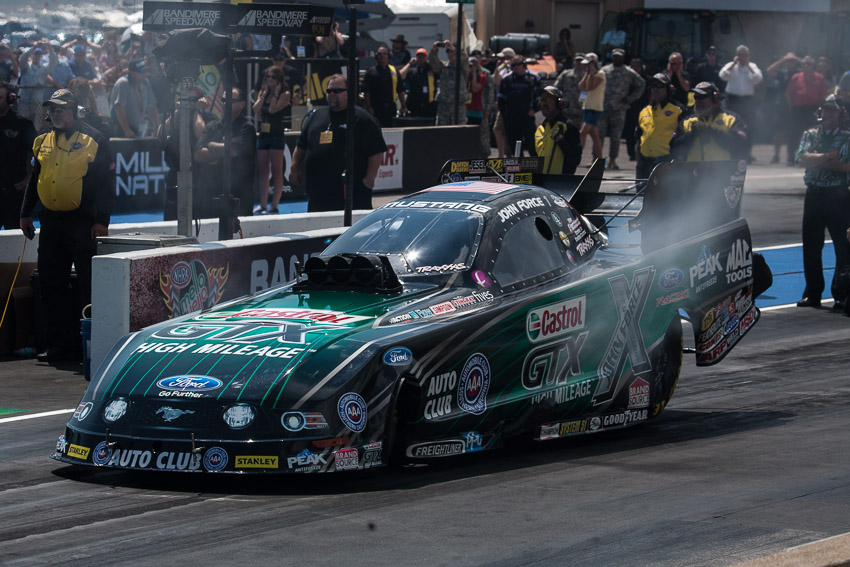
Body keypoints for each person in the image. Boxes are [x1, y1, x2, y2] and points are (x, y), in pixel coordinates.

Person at [19, 89, 114, 362]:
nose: (56, 114)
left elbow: (107, 186)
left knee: (87, 285)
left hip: (82, 222)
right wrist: (25, 214)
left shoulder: (95, 139)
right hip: (51, 223)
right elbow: (34, 179)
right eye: (52, 109)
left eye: (61, 109)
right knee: (50, 284)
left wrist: (102, 221)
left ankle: (90, 348)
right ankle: (59, 346)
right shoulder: (41, 141)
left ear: (74, 109)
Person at [290, 74, 386, 212]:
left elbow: (376, 152)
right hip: (318, 193)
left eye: (337, 91)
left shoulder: (362, 119)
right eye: (329, 91)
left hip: (350, 194)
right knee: (318, 232)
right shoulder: (316, 116)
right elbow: (301, 145)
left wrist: (369, 180)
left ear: (349, 92)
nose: (332, 94)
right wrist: (294, 169)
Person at [794, 94, 850, 309]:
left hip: (839, 196)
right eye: (825, 110)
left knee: (842, 246)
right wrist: (828, 157)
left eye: (832, 110)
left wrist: (816, 159)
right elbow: (800, 159)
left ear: (840, 113)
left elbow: (845, 165)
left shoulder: (847, 137)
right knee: (811, 246)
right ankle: (812, 293)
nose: (827, 114)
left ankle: (841, 294)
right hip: (814, 195)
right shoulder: (810, 134)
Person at [194, 87, 257, 218]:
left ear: (242, 104)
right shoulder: (212, 126)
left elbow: (233, 151)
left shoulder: (247, 128)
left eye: (230, 100)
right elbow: (198, 155)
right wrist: (224, 150)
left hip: (240, 194)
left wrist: (211, 145)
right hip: (214, 192)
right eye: (223, 99)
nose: (225, 103)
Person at [158, 84, 214, 221]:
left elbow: (201, 135)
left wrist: (197, 111)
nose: (189, 102)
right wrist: (176, 115)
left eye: (193, 99)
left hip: (199, 176)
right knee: (172, 217)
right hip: (175, 173)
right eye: (185, 99)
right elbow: (160, 140)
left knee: (198, 217)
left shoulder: (208, 118)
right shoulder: (175, 117)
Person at [671, 82, 748, 162]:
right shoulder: (687, 122)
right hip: (693, 172)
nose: (697, 100)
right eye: (695, 96)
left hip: (723, 171)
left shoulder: (731, 119)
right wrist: (692, 134)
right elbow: (673, 148)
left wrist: (711, 130)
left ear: (715, 98)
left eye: (702, 96)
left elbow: (740, 144)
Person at [252, 66, 291, 214]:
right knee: (263, 170)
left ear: (279, 79)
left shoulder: (285, 93)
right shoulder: (264, 92)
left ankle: (274, 205)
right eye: (267, 77)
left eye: (272, 77)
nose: (269, 80)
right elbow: (255, 109)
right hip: (263, 133)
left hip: (276, 134)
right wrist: (263, 96)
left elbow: (274, 109)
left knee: (276, 171)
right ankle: (262, 203)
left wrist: (275, 94)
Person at [598, 48, 645, 170]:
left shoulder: (628, 72)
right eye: (614, 56)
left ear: (623, 58)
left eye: (618, 56)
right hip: (604, 107)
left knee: (616, 136)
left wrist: (630, 98)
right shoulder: (604, 70)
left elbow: (642, 84)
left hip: (619, 109)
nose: (616, 58)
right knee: (599, 134)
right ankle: (596, 159)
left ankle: (613, 160)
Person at [0, 82, 35, 230]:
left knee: (14, 240)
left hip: (13, 194)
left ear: (10, 99)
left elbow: (39, 154)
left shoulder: (21, 124)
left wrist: (28, 178)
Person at [636, 73, 684, 180]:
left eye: (659, 86)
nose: (655, 89)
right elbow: (639, 139)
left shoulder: (679, 110)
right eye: (652, 86)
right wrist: (639, 164)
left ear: (669, 89)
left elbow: (682, 140)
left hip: (666, 162)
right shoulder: (644, 111)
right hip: (644, 164)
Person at [719, 45, 762, 162]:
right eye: (740, 55)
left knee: (748, 127)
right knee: (730, 126)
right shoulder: (731, 66)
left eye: (744, 55)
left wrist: (748, 65)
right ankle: (731, 152)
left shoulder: (752, 66)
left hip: (747, 101)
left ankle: (746, 153)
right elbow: (722, 76)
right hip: (732, 100)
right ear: (737, 56)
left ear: (748, 56)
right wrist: (733, 64)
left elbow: (758, 78)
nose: (742, 58)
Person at [785, 56, 828, 167]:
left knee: (814, 133)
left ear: (812, 66)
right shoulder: (796, 77)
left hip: (813, 109)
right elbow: (789, 94)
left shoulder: (819, 78)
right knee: (794, 133)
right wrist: (792, 108)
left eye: (808, 64)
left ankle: (812, 157)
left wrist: (820, 110)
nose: (805, 66)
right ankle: (791, 157)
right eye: (803, 64)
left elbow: (823, 95)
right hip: (798, 109)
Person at [498, 55, 541, 157]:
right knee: (515, 146)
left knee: (532, 144)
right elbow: (501, 97)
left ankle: (537, 168)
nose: (516, 67)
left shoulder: (534, 77)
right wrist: (504, 114)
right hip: (511, 117)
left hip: (527, 116)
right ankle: (519, 168)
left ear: (524, 64)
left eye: (518, 64)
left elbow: (539, 96)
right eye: (513, 65)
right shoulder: (507, 79)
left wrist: (534, 109)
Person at [535, 86, 581, 175]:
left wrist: (561, 141)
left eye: (548, 100)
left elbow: (575, 160)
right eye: (542, 100)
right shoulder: (541, 129)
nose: (544, 104)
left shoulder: (568, 127)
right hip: (543, 184)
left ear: (559, 103)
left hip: (561, 184)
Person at [110, 59, 159, 138]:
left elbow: (152, 106)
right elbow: (119, 108)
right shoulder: (123, 83)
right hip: (122, 127)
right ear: (132, 73)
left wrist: (157, 126)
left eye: (146, 71)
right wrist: (127, 130)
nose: (145, 74)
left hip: (139, 127)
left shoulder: (145, 82)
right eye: (142, 72)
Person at [766, 52, 800, 164]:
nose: (791, 63)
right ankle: (776, 155)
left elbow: (810, 67)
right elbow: (769, 70)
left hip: (794, 105)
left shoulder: (799, 73)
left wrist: (797, 59)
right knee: (778, 131)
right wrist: (783, 59)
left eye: (792, 61)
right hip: (781, 105)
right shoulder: (783, 73)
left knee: (794, 132)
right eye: (789, 62)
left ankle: (794, 154)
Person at [18, 45, 57, 132]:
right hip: (24, 101)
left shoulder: (43, 69)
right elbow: (22, 59)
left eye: (39, 55)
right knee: (22, 123)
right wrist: (32, 47)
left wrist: (50, 48)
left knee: (36, 126)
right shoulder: (26, 67)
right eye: (35, 54)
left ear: (41, 57)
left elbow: (53, 62)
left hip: (36, 101)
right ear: (32, 55)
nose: (37, 56)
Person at [364, 45, 405, 128]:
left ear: (388, 56)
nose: (382, 55)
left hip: (391, 108)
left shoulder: (394, 71)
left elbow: (400, 90)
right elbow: (367, 92)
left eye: (384, 53)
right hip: (376, 108)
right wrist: (369, 107)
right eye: (379, 54)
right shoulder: (371, 72)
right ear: (376, 57)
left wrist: (403, 106)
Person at [430, 40, 469, 126]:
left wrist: (454, 49)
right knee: (442, 130)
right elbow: (434, 64)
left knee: (458, 130)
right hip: (444, 105)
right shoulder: (444, 67)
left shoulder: (462, 67)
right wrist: (434, 51)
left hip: (458, 105)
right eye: (448, 52)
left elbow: (464, 59)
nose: (450, 55)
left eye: (452, 52)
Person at [578, 52, 605, 166]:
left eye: (588, 64)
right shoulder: (589, 74)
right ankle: (598, 160)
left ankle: (577, 155)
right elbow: (581, 86)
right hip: (587, 106)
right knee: (595, 136)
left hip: (595, 108)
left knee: (582, 132)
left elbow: (591, 87)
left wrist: (593, 73)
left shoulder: (601, 74)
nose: (586, 66)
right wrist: (587, 74)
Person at [466, 53, 494, 158]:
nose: (470, 68)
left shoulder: (484, 74)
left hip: (480, 108)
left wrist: (488, 108)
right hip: (468, 108)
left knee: (482, 134)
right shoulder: (465, 75)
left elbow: (489, 92)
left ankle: (484, 154)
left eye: (471, 66)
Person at [623, 57, 649, 162]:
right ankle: (631, 153)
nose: (635, 68)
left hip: (643, 109)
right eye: (633, 66)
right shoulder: (627, 79)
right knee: (630, 132)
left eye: (637, 66)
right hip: (630, 109)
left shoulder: (646, 79)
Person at [400, 47, 437, 120]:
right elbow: (401, 76)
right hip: (414, 106)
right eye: (419, 57)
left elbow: (439, 68)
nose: (421, 59)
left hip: (429, 106)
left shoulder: (431, 71)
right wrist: (409, 64)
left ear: (426, 58)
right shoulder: (412, 71)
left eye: (423, 57)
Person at [555, 53, 585, 129]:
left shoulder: (586, 76)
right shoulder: (566, 74)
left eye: (581, 61)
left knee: (577, 133)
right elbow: (556, 88)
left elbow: (587, 91)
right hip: (566, 109)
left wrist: (583, 102)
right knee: (562, 132)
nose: (579, 63)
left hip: (579, 109)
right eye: (577, 61)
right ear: (574, 62)